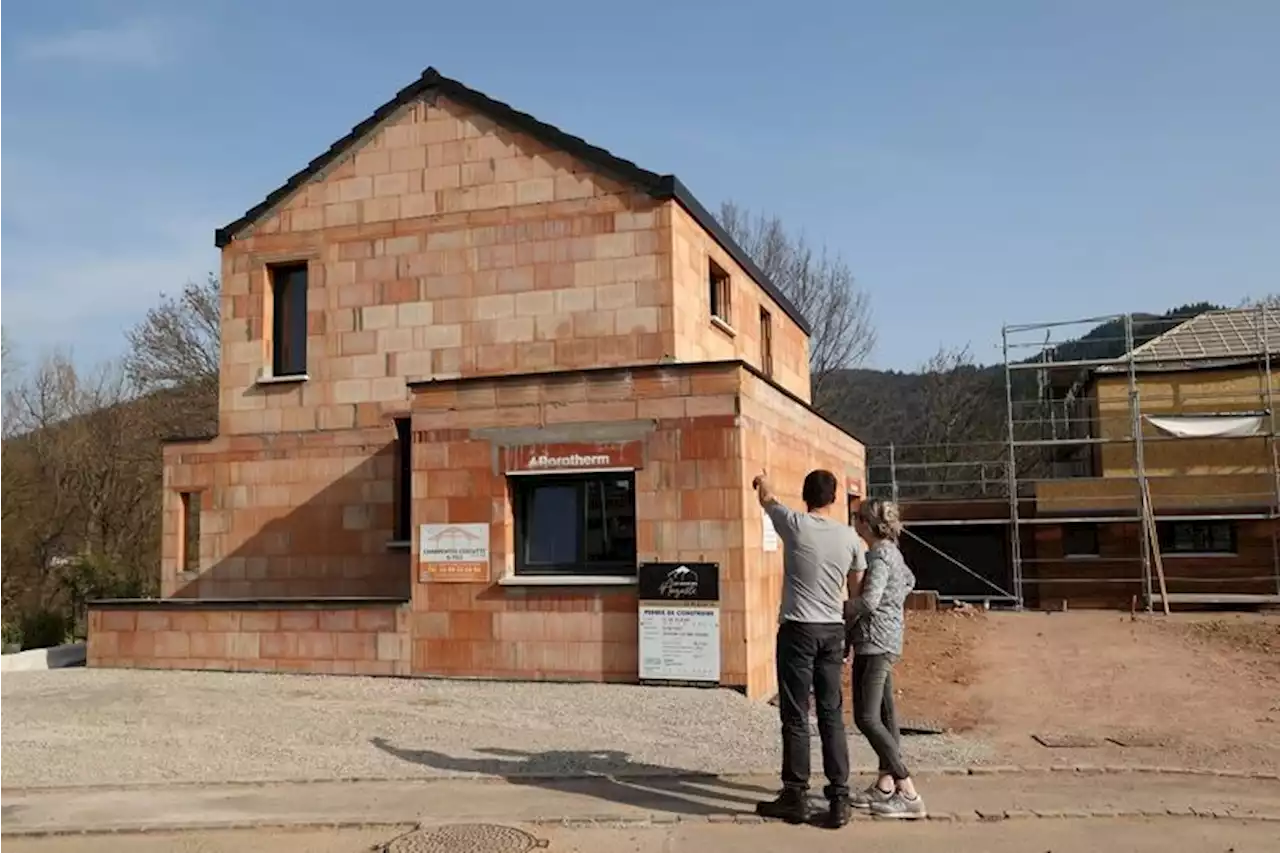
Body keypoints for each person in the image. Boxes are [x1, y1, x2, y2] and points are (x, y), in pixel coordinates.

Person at [752, 469, 867, 828]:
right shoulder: (850, 537)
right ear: (834, 499)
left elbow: (767, 499)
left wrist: (763, 479)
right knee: (831, 713)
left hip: (798, 630)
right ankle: (839, 798)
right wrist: (847, 633)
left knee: (796, 714)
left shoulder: (795, 524)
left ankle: (795, 795)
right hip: (833, 630)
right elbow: (856, 592)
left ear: (805, 496)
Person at [845, 497, 926, 819]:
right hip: (888, 638)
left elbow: (868, 602)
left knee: (866, 717)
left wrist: (836, 609)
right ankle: (885, 785)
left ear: (866, 523)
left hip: (873, 641)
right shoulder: (893, 552)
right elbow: (909, 581)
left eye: (856, 517)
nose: (853, 522)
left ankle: (907, 789)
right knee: (885, 713)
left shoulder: (878, 555)